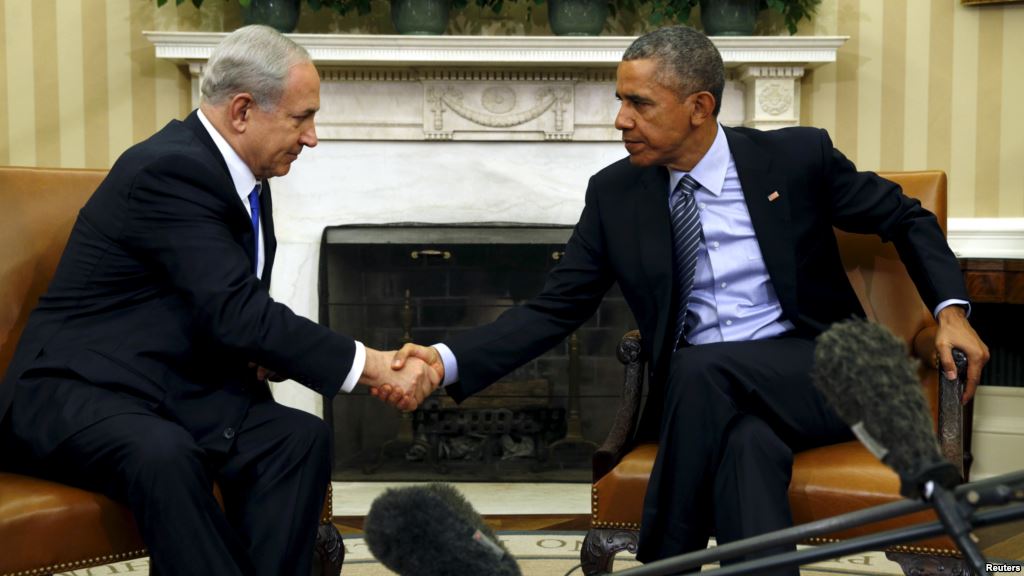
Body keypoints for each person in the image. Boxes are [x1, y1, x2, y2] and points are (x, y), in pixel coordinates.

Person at [384, 25, 990, 573]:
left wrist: (952, 312)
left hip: (821, 372)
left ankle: (663, 563)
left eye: (639, 103)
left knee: (702, 368)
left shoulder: (795, 159)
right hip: (713, 402)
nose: (620, 119)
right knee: (747, 449)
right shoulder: (617, 194)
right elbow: (555, 306)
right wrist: (444, 360)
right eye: (620, 100)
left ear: (700, 107)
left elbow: (907, 218)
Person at [0, 25, 437, 576]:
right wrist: (373, 366)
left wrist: (266, 350)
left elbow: (225, 313)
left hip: (167, 389)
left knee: (298, 439)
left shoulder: (247, 178)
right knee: (164, 455)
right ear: (242, 111)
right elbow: (238, 313)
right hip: (76, 392)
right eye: (302, 117)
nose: (312, 138)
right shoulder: (171, 170)